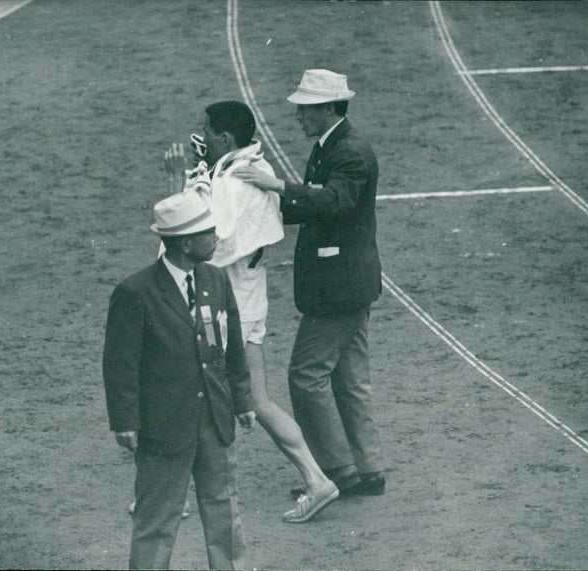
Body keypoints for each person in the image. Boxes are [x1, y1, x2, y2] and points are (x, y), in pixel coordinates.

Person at [163, 100, 339, 524]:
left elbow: (196, 240)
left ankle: (172, 495)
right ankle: (316, 481)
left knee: (197, 395)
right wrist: (201, 175)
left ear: (224, 138)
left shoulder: (234, 183)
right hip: (245, 302)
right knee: (250, 400)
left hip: (224, 309)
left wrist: (176, 184)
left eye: (205, 131)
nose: (199, 138)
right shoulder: (243, 169)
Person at [233, 69, 386, 498]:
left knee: (305, 376)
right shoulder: (333, 146)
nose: (299, 117)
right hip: (350, 283)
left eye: (306, 109)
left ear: (329, 108)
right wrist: (269, 207)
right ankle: (368, 469)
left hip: (337, 286)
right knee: (350, 378)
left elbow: (335, 201)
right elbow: (318, 203)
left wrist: (277, 186)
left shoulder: (348, 151)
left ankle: (337, 470)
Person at [102, 190, 256, 570]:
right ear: (186, 243)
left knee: (226, 517)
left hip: (215, 421)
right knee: (157, 522)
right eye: (209, 231)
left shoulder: (216, 279)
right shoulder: (134, 293)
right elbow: (119, 364)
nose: (217, 236)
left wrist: (243, 400)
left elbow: (231, 346)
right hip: (163, 428)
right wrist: (125, 422)